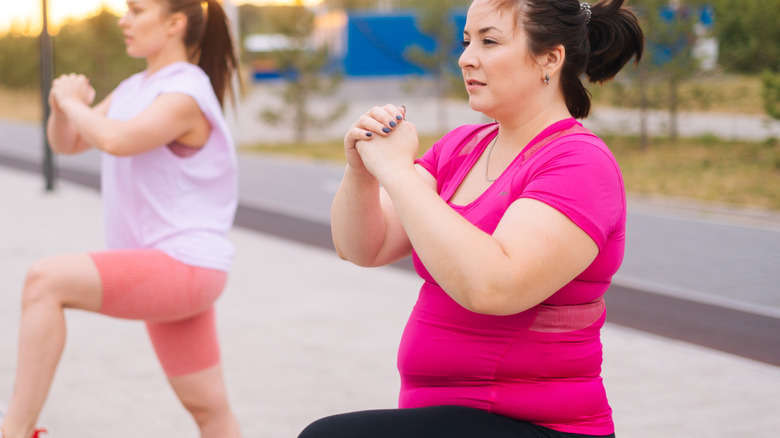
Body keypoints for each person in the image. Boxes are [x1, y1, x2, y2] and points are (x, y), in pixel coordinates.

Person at [300, 0, 644, 437]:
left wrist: (396, 170)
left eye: (489, 41)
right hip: (449, 417)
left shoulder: (578, 162)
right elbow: (363, 247)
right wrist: (361, 171)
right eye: (466, 41)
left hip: (537, 424)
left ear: (549, 59)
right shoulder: (462, 147)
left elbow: (493, 286)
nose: (466, 57)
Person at [0, 0, 241, 437]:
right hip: (168, 267)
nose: (123, 20)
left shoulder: (185, 92)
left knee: (44, 280)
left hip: (184, 263)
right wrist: (62, 106)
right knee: (209, 409)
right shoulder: (136, 87)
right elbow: (69, 143)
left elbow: (115, 139)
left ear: (174, 23)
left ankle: (14, 429)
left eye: (136, 10)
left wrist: (74, 103)